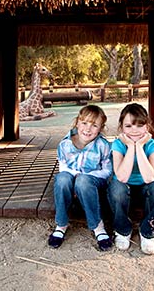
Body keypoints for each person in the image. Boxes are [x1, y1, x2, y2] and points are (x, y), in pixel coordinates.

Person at [48, 105, 113, 251]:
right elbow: (63, 167)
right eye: (84, 123)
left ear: (100, 128)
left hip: (93, 182)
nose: (88, 129)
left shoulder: (103, 145)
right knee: (62, 178)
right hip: (71, 178)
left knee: (83, 181)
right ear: (77, 122)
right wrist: (74, 177)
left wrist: (84, 176)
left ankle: (98, 226)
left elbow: (107, 171)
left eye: (94, 125)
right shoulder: (65, 144)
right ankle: (61, 224)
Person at [108, 103, 154, 255]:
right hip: (123, 188)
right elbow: (121, 177)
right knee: (116, 187)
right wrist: (130, 147)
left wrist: (139, 147)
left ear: (147, 127)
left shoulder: (153, 146)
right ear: (121, 128)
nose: (134, 130)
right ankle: (123, 230)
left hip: (145, 188)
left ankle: (148, 232)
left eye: (139, 125)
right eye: (128, 126)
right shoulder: (118, 145)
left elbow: (150, 177)